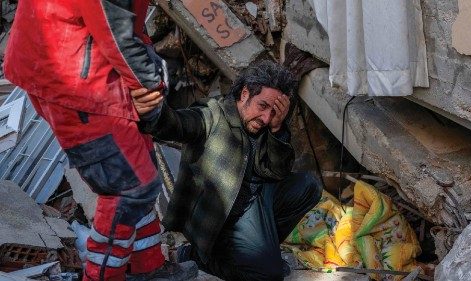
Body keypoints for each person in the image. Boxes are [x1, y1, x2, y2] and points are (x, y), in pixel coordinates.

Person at [3, 1, 197, 280]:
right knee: (129, 188)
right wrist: (150, 87)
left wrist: (148, 73)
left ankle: (146, 265)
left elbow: (126, 20)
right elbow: (116, 30)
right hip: (69, 77)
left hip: (77, 58)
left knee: (141, 167)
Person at [133, 61, 323, 281]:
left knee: (308, 185)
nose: (266, 118)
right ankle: (199, 256)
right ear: (244, 94)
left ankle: (253, 253)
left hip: (256, 200)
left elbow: (278, 172)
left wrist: (278, 130)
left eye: (273, 111)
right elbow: (178, 123)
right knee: (268, 275)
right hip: (224, 217)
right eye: (262, 106)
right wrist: (151, 111)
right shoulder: (212, 114)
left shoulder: (266, 124)